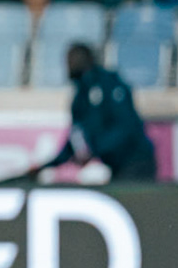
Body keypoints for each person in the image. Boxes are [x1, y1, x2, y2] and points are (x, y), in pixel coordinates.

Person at [19, 43, 158, 181]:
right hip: (116, 168)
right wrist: (45, 166)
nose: (71, 63)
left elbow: (127, 128)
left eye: (75, 57)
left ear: (90, 59)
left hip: (136, 163)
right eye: (69, 59)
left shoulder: (110, 85)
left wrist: (94, 151)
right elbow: (75, 141)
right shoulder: (80, 98)